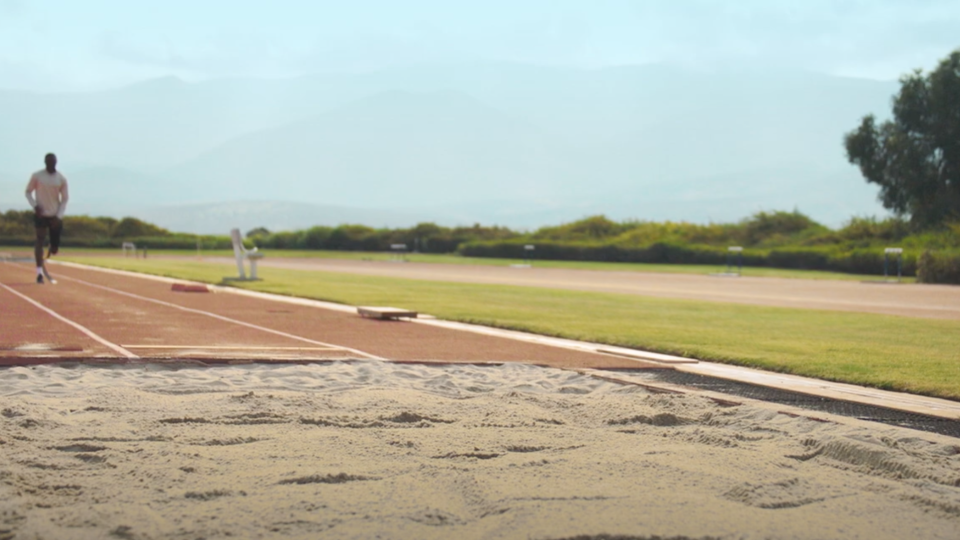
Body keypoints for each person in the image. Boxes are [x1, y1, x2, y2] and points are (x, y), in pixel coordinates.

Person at [25, 153, 69, 284]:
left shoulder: (61, 179)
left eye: (53, 161)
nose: (51, 164)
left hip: (54, 215)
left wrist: (58, 216)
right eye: (48, 161)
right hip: (41, 215)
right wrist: (35, 206)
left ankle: (52, 246)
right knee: (39, 240)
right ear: (45, 162)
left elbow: (65, 199)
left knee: (54, 249)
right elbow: (28, 192)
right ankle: (39, 272)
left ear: (56, 162)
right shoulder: (37, 176)